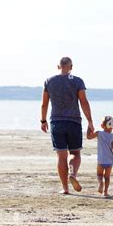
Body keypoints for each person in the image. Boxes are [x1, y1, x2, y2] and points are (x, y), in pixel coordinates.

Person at [41, 57, 95, 194]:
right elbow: (84, 102)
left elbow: (44, 104)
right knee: (75, 152)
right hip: (74, 121)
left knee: (61, 155)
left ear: (58, 66)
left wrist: (43, 121)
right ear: (71, 67)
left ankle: (65, 188)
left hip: (56, 122)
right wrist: (90, 122)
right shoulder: (77, 81)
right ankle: (73, 174)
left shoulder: (49, 81)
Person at [87, 116, 113, 198]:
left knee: (99, 175)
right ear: (112, 127)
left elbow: (88, 137)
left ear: (102, 126)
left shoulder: (99, 133)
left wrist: (89, 127)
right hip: (110, 161)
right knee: (107, 177)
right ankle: (106, 192)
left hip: (101, 160)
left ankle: (100, 184)